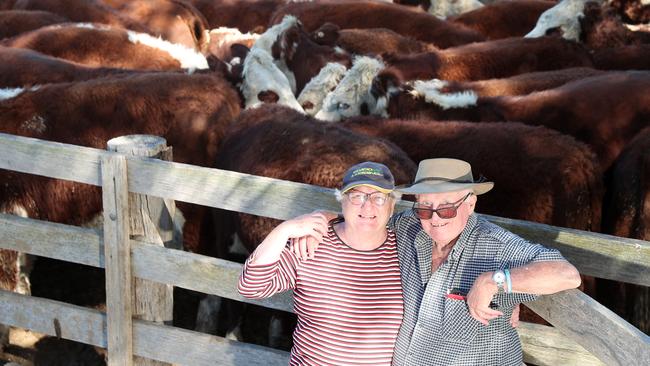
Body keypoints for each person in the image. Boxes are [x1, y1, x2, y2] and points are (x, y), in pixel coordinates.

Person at [389, 158, 582, 366]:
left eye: (446, 208)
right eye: (425, 207)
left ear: (470, 203)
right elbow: (360, 225)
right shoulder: (408, 226)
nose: (435, 218)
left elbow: (566, 274)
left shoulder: (497, 247)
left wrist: (493, 281)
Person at [237, 161, 404, 365]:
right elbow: (251, 287)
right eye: (357, 196)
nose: (367, 205)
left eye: (379, 198)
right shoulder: (312, 243)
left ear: (392, 205)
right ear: (342, 201)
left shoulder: (405, 251)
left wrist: (330, 215)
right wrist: (284, 230)